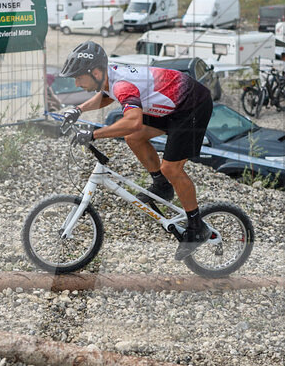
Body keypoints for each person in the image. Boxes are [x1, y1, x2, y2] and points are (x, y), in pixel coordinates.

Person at [58, 41, 214, 258]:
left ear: (94, 72)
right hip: (171, 103)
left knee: (172, 168)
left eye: (78, 77)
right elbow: (106, 96)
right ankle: (162, 186)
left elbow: (133, 121)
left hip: (192, 105)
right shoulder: (108, 77)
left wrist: (93, 134)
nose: (76, 83)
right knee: (133, 138)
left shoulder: (122, 84)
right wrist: (78, 109)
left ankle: (197, 227)